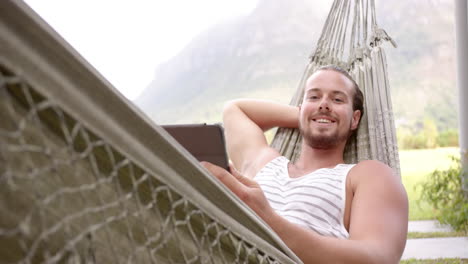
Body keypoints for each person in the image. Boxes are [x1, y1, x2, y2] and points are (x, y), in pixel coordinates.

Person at [201, 65, 408, 264]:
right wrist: (312, 116)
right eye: (314, 96)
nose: (324, 104)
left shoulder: (368, 175)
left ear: (355, 119)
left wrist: (267, 220)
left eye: (337, 99)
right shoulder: (264, 162)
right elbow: (235, 110)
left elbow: (377, 258)